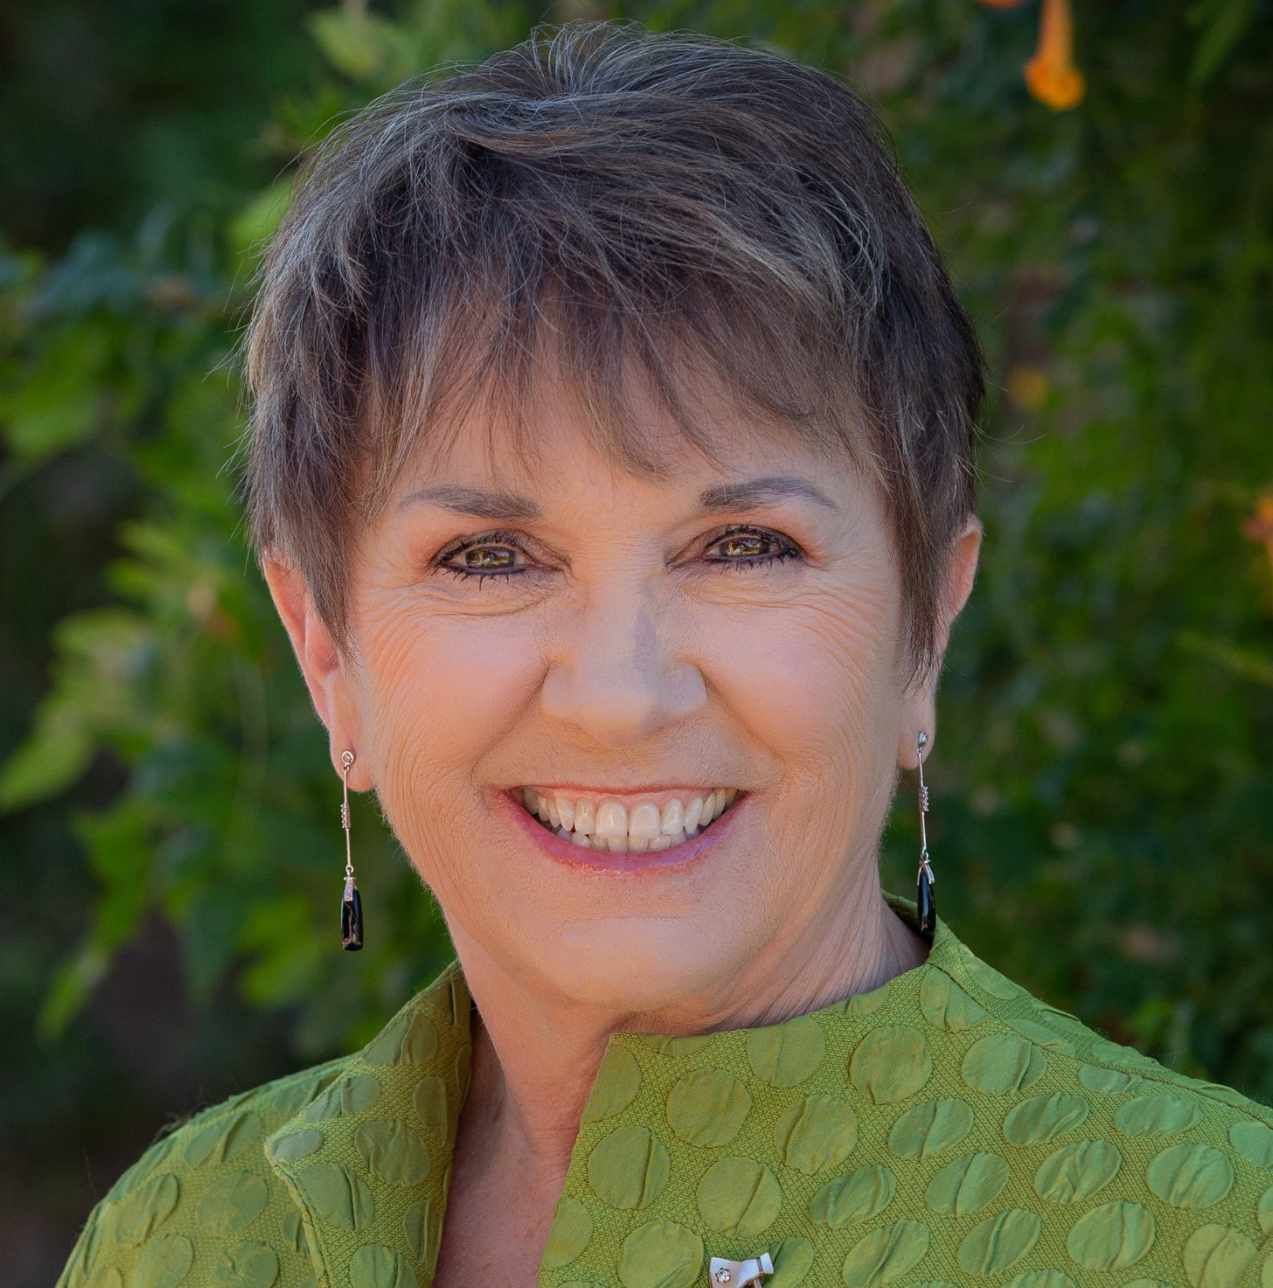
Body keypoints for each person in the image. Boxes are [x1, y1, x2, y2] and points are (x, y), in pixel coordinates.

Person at [56, 19, 1273, 1288]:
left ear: (924, 624)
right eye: (490, 556)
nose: (622, 696)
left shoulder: (1220, 1242)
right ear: (325, 652)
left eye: (743, 545)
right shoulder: (184, 1240)